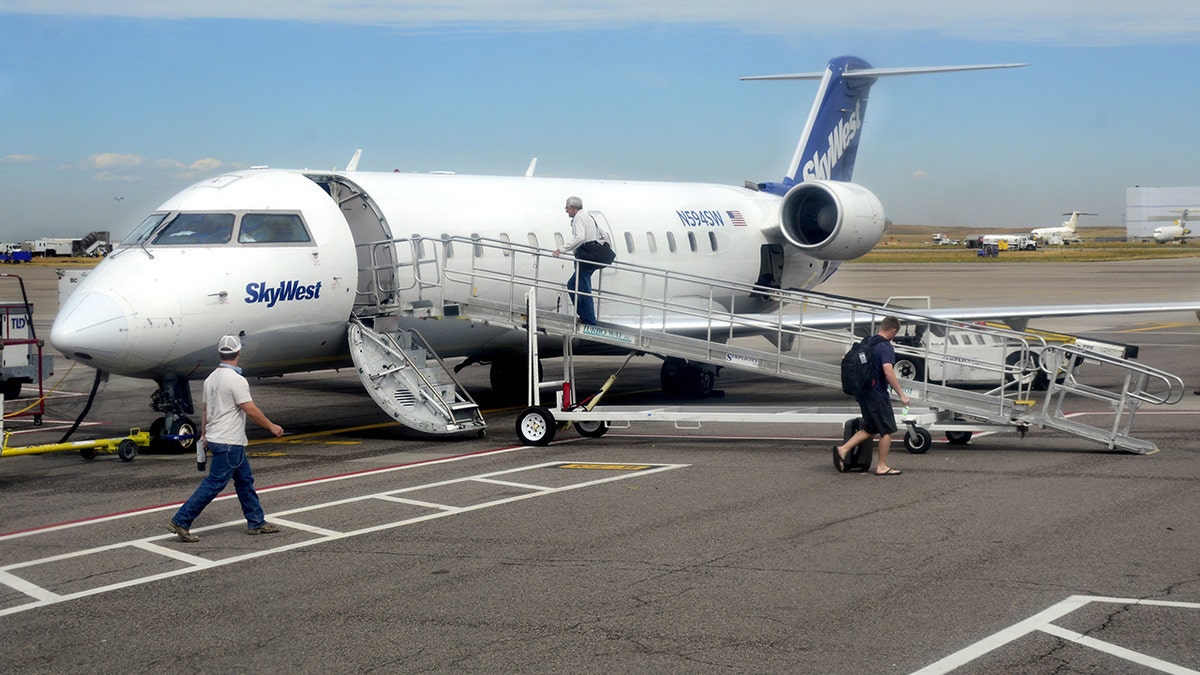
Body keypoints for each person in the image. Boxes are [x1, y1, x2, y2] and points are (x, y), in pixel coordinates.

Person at [167, 335, 285, 542]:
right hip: (229, 440)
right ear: (238, 353)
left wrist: (204, 434)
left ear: (220, 353)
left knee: (244, 480)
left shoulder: (211, 378)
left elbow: (206, 410)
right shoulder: (236, 380)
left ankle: (256, 522)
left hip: (220, 437)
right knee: (214, 483)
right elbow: (250, 409)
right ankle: (181, 520)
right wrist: (271, 426)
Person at [833, 316, 911, 476]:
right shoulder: (885, 347)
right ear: (893, 330)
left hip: (864, 393)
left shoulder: (868, 342)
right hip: (877, 394)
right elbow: (888, 371)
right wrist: (901, 394)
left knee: (871, 428)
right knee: (887, 430)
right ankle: (882, 466)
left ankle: (843, 449)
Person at [552, 195, 607, 325]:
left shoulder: (579, 218)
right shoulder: (588, 216)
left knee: (582, 288)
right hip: (591, 256)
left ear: (572, 208)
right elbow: (603, 234)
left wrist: (561, 249)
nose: (566, 210)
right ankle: (584, 315)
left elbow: (580, 237)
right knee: (574, 285)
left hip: (585, 258)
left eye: (567, 207)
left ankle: (589, 320)